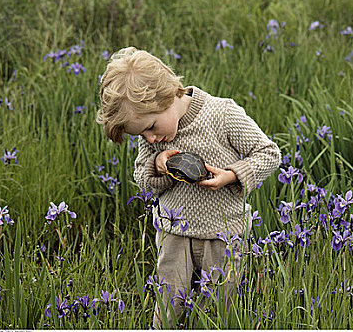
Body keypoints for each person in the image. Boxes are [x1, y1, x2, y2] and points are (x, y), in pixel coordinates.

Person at [97, 46, 281, 328]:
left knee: (217, 313)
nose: (150, 138)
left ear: (168, 95)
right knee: (168, 311)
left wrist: (232, 175)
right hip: (174, 237)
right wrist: (158, 165)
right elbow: (143, 180)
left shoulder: (222, 113)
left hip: (224, 237)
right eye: (142, 134)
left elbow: (268, 153)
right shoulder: (153, 139)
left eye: (151, 127)